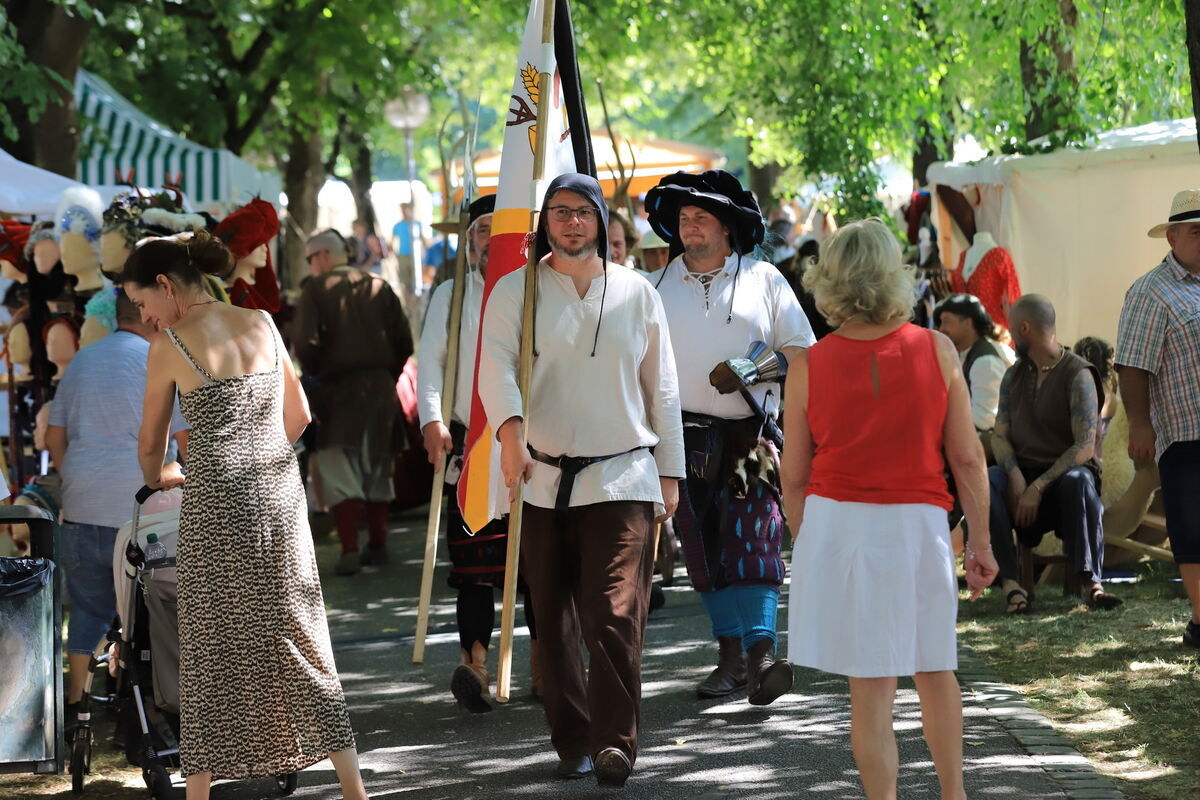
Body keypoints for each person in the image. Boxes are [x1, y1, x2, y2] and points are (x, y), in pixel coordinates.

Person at [122, 231, 366, 800]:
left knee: (212, 652)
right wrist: (259, 456)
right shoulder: (262, 322)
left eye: (142, 303)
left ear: (165, 286)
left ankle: (200, 793)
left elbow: (150, 453)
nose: (145, 315)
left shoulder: (171, 344)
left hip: (217, 509)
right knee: (302, 638)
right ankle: (353, 787)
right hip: (280, 496)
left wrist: (171, 476)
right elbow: (299, 415)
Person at [478, 173, 684, 788]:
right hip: (541, 477)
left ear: (601, 221)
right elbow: (494, 365)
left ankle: (616, 742)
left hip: (622, 475)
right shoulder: (516, 291)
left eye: (582, 212)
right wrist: (511, 435)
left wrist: (669, 472)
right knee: (554, 619)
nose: (571, 222)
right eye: (559, 212)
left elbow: (663, 388)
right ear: (545, 222)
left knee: (614, 613)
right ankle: (573, 740)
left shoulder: (638, 293)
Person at [782, 218, 998, 800]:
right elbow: (969, 460)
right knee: (934, 669)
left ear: (829, 279)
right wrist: (979, 542)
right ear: (893, 272)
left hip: (838, 524)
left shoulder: (808, 364)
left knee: (870, 688)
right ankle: (953, 794)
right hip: (917, 525)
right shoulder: (938, 348)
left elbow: (794, 476)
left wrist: (813, 546)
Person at [644, 169, 813, 706]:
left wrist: (751, 366)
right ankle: (732, 655)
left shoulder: (765, 279)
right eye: (683, 218)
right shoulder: (654, 287)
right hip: (680, 438)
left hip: (750, 436)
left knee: (755, 537)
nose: (689, 226)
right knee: (703, 547)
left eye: (701, 218)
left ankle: (763, 653)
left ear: (726, 228)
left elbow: (803, 354)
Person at [46, 289, 188, 725]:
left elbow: (55, 440)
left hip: (82, 507)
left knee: (88, 611)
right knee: (145, 612)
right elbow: (182, 444)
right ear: (148, 318)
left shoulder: (83, 361)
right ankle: (145, 707)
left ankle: (76, 708)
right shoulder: (157, 358)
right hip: (138, 511)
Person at [416, 195, 537, 712]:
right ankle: (476, 666)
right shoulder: (452, 293)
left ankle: (550, 667)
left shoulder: (540, 287)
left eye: (501, 228)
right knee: (473, 572)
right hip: (472, 448)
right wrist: (432, 420)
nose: (492, 239)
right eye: (483, 230)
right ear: (470, 241)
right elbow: (430, 360)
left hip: (535, 446)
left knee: (539, 566)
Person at [293, 229, 414, 575]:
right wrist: (386, 373)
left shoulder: (316, 289)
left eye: (310, 258)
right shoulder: (380, 286)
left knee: (339, 468)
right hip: (380, 390)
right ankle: (378, 544)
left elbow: (305, 344)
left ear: (323, 256)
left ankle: (349, 551)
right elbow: (404, 341)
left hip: (337, 392)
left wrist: (317, 376)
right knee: (378, 467)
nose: (311, 265)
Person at [988, 294, 1118, 613]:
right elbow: (999, 435)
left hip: (1062, 482)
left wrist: (1037, 486)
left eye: (1013, 328)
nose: (1010, 334)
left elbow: (1085, 445)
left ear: (1025, 328)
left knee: (1079, 480)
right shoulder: (1013, 376)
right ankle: (1010, 583)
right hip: (1023, 476)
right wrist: (1016, 474)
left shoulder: (1077, 374)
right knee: (989, 479)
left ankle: (1092, 585)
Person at [1116, 189, 1200, 647]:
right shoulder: (1151, 291)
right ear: (1172, 236)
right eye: (1194, 230)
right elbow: (1133, 363)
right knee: (1191, 526)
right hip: (1187, 430)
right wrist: (1141, 424)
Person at [933, 293, 1016, 457]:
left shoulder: (985, 360)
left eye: (947, 321)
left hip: (999, 443)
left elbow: (985, 420)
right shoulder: (967, 352)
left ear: (968, 323)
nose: (941, 329)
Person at [391, 202, 426, 290]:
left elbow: (423, 239)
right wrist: (395, 254)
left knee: (416, 278)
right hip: (403, 255)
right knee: (405, 281)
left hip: (415, 255)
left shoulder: (417, 224)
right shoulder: (397, 225)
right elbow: (391, 241)